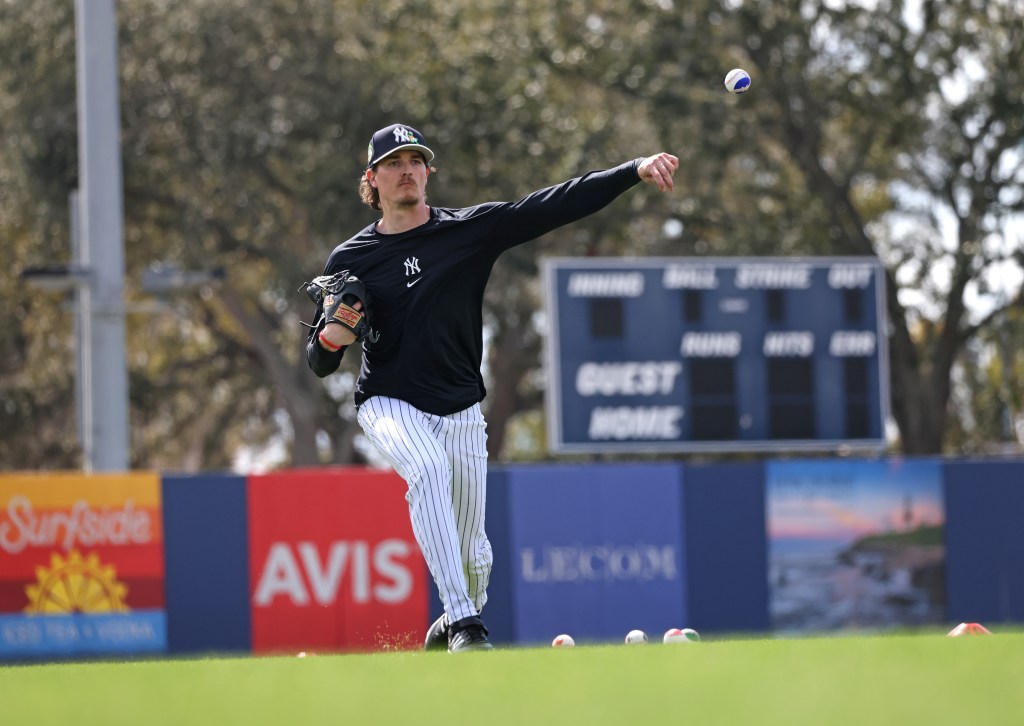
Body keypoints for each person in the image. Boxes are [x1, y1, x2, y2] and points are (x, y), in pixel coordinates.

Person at [305, 122, 678, 652]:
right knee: (428, 472)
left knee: (476, 556)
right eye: (394, 163)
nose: (406, 170)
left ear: (427, 173)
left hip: (459, 406)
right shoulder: (350, 259)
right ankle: (464, 624)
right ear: (373, 179)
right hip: (389, 401)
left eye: (415, 160)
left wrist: (632, 171)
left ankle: (451, 623)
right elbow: (320, 363)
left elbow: (553, 204)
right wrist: (333, 336)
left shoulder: (467, 230)